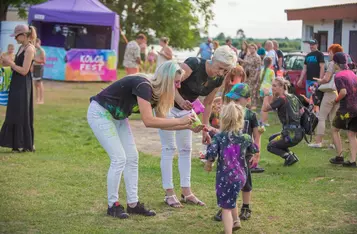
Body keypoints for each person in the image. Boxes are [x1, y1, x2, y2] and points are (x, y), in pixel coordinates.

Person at [87, 61, 202, 219]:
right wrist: (181, 121)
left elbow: (163, 124)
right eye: (176, 82)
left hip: (118, 117)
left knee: (132, 157)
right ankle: (112, 205)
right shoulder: (144, 85)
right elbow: (148, 121)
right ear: (167, 80)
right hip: (100, 113)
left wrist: (188, 127)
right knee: (119, 159)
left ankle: (133, 204)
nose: (179, 87)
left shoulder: (158, 93)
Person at [159, 45, 237, 208]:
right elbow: (170, 83)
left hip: (186, 110)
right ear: (213, 59)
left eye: (225, 70)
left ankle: (187, 192)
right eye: (220, 68)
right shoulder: (193, 64)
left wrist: (205, 127)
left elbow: (208, 103)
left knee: (186, 149)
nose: (221, 73)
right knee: (169, 148)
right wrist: (180, 101)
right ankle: (169, 193)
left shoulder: (219, 79)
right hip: (166, 105)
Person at [204, 102, 259, 234]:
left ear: (223, 119)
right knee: (231, 198)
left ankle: (228, 231)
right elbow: (254, 148)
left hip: (225, 177)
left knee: (225, 208)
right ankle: (236, 221)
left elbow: (211, 153)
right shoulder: (245, 137)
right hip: (241, 176)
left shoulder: (219, 137)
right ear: (240, 120)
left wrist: (208, 164)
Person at [212, 83, 263, 223]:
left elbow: (256, 135)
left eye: (237, 99)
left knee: (245, 181)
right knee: (228, 181)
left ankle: (246, 207)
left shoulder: (251, 115)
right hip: (228, 155)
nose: (234, 102)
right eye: (232, 99)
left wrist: (257, 153)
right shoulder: (229, 112)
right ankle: (227, 207)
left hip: (244, 155)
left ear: (247, 100)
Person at [0, 24, 36, 152]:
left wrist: (11, 63)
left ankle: (25, 143)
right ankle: (15, 143)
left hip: (23, 83)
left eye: (17, 36)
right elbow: (15, 66)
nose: (15, 39)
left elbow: (24, 70)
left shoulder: (30, 49)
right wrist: (5, 61)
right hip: (16, 82)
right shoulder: (21, 47)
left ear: (24, 35)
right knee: (14, 111)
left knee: (21, 112)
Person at [262, 77, 304, 166]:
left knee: (270, 146)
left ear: (281, 87)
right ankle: (291, 156)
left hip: (290, 135)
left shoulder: (282, 99)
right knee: (272, 138)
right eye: (272, 86)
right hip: (298, 132)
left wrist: (266, 95)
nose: (272, 88)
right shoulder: (292, 96)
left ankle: (288, 156)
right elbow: (302, 111)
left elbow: (265, 109)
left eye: (274, 86)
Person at [309, 44, 343, 148]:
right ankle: (334, 143)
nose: (329, 55)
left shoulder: (332, 64)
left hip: (329, 92)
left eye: (330, 53)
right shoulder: (342, 64)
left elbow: (327, 79)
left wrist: (319, 81)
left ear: (334, 53)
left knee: (322, 117)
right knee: (333, 119)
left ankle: (318, 142)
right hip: (338, 93)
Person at [329, 52, 357, 168]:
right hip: (356, 107)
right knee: (352, 134)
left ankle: (339, 156)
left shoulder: (339, 76)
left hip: (346, 108)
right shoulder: (352, 73)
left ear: (335, 63)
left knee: (334, 129)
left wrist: (335, 100)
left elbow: (343, 92)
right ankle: (352, 161)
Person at [243, 43, 261, 109]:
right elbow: (244, 64)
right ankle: (246, 104)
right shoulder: (247, 56)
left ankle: (253, 105)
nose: (251, 49)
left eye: (252, 48)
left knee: (253, 91)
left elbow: (258, 68)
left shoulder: (257, 57)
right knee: (246, 90)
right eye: (250, 48)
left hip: (253, 76)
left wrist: (256, 77)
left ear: (255, 49)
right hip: (246, 76)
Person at [259, 57, 275, 126]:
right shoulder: (271, 71)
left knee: (264, 105)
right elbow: (273, 81)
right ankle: (264, 122)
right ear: (271, 63)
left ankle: (262, 120)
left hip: (262, 88)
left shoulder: (262, 70)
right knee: (266, 107)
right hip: (268, 89)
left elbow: (260, 79)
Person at [32, 38, 46, 104]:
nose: (34, 44)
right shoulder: (35, 50)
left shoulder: (41, 50)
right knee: (35, 84)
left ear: (38, 43)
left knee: (40, 84)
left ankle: (41, 99)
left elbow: (43, 61)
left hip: (39, 67)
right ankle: (37, 99)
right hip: (35, 67)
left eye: (35, 43)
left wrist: (35, 60)